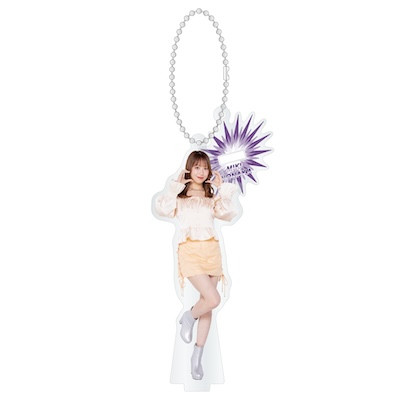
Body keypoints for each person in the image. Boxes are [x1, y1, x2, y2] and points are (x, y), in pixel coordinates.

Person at [154, 150, 240, 381]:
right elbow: (162, 209)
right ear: (189, 168)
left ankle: (196, 357)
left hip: (211, 252)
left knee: (208, 305)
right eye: (197, 167)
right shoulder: (179, 196)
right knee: (213, 299)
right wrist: (174, 186)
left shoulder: (212, 196)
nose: (201, 172)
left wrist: (222, 189)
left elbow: (228, 214)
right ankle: (189, 317)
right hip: (190, 252)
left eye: (205, 168)